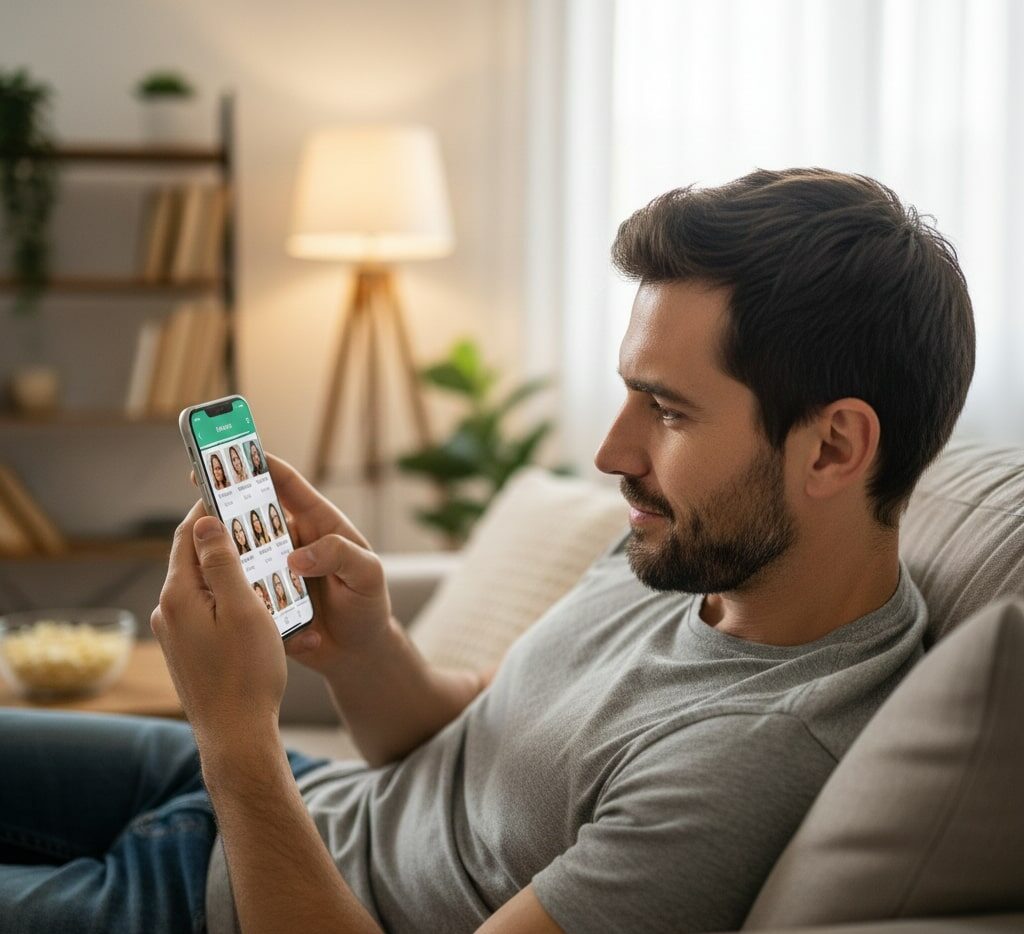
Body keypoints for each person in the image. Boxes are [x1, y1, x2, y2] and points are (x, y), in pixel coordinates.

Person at [0, 169, 975, 934]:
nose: (611, 453)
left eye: (669, 410)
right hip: (283, 796)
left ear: (835, 447)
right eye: (632, 392)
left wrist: (234, 732)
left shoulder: (748, 766)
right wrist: (364, 646)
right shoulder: (699, 552)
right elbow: (468, 736)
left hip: (230, 891)